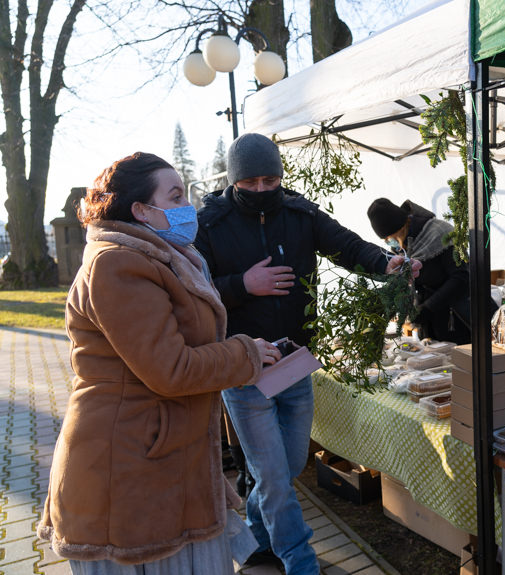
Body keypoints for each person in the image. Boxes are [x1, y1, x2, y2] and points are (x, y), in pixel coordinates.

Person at [37, 152, 280, 574]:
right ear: (141, 210)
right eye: (176, 196)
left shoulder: (161, 257)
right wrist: (246, 354)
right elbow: (171, 369)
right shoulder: (117, 263)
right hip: (125, 467)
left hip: (156, 458)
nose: (188, 207)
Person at [195, 133, 419, 574]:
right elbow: (195, 294)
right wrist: (243, 285)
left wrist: (383, 262)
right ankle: (300, 562)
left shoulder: (300, 213)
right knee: (275, 477)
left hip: (296, 364)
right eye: (250, 182)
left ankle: (256, 538)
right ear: (234, 180)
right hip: (245, 372)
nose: (262, 189)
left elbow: (346, 245)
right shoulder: (211, 224)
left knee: (289, 464)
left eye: (269, 179)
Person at [366, 198, 471, 344]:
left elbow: (461, 277)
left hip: (458, 320)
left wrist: (428, 307)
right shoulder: (404, 248)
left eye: (388, 238)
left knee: (458, 362)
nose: (387, 242)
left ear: (400, 227)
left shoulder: (441, 233)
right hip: (430, 326)